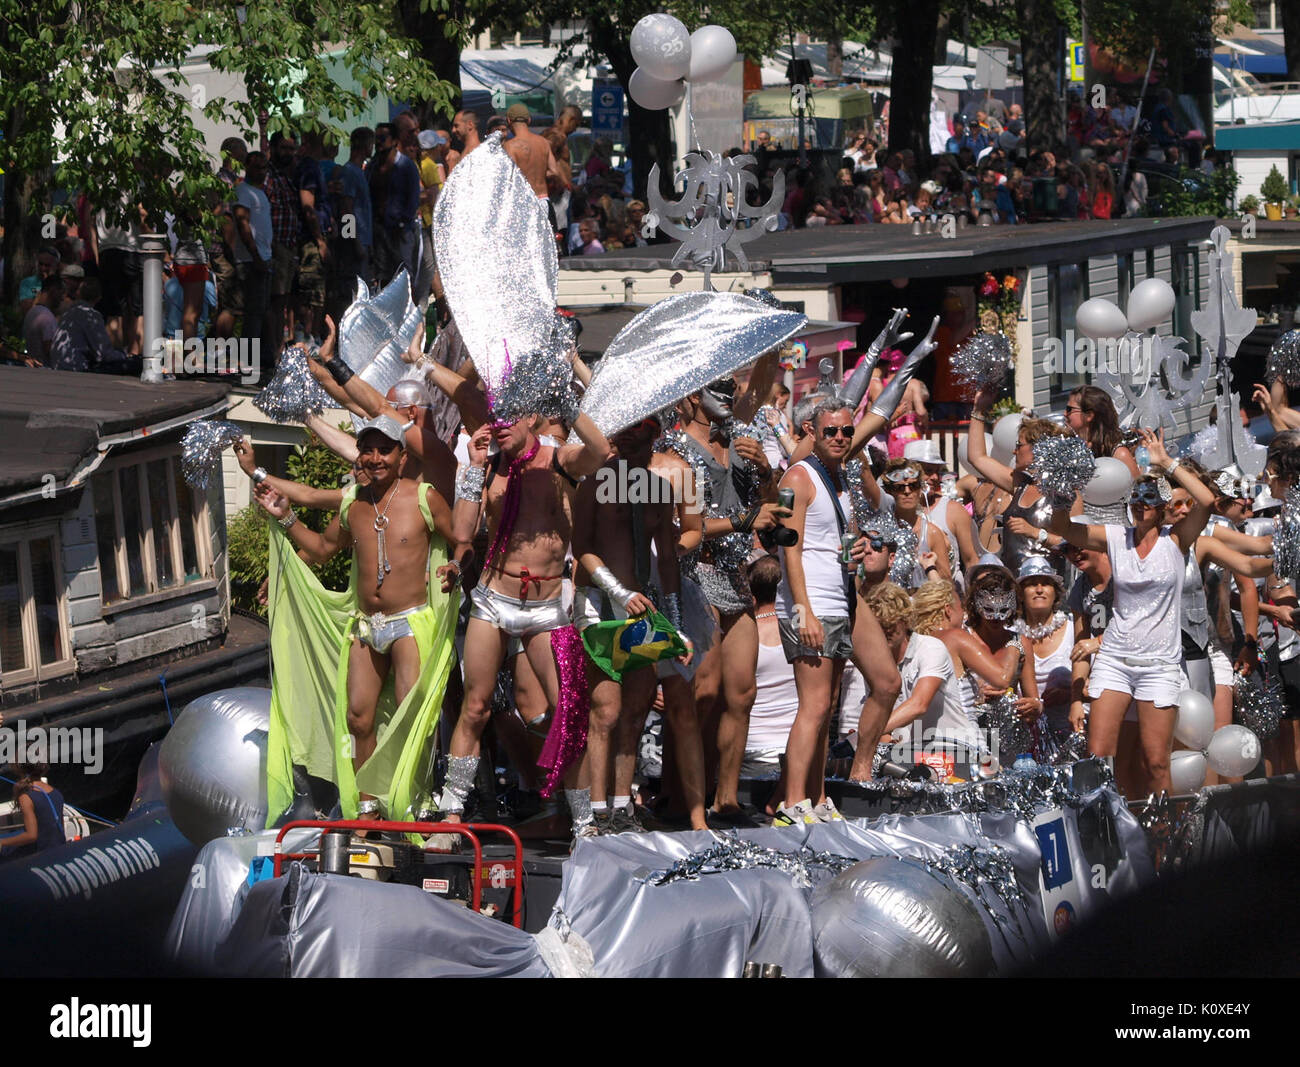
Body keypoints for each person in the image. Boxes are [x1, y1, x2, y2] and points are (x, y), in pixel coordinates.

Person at [255, 413, 466, 817]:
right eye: (367, 449)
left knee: (411, 716)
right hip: (366, 626)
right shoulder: (354, 503)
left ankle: (409, 801)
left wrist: (455, 566)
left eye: (384, 449)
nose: (374, 458)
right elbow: (320, 549)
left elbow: (461, 539)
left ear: (402, 457)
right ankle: (368, 804)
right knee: (357, 717)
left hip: (410, 623)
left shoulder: (425, 497)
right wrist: (285, 515)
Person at [442, 403, 610, 828]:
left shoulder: (559, 460)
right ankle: (450, 812)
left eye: (507, 421)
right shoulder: (491, 466)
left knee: (568, 713)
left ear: (531, 419)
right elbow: (463, 533)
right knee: (476, 707)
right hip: (493, 600)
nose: (498, 429)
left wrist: (569, 401)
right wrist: (475, 467)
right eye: (493, 420)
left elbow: (602, 448)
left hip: (549, 606)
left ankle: (583, 823)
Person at [1050, 428, 1214, 795]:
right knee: (1098, 757)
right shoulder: (1113, 537)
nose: (1141, 503)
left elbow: (1207, 500)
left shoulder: (1177, 541)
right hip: (1115, 660)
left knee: (1156, 761)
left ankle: (1166, 844)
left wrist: (1165, 461)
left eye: (1150, 497)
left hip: (1159, 665)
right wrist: (1063, 484)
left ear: (1163, 507)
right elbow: (1061, 527)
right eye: (1136, 497)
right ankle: (1111, 838)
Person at [572, 416, 700, 835]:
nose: (632, 442)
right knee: (605, 710)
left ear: (654, 438)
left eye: (641, 434)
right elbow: (583, 550)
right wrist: (619, 594)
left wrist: (676, 629)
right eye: (624, 434)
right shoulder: (592, 484)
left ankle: (623, 806)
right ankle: (595, 812)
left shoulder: (660, 491)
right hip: (598, 602)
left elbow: (667, 564)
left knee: (635, 709)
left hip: (641, 606)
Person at [773, 398, 858, 825]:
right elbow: (790, 546)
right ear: (812, 430)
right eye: (831, 431)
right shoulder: (799, 475)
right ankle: (790, 804)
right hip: (811, 603)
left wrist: (855, 553)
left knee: (828, 708)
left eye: (846, 430)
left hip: (837, 599)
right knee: (813, 704)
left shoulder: (839, 482)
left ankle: (818, 797)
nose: (840, 437)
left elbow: (832, 544)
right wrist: (802, 608)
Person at [369, 123, 421, 292]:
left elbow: (413, 198)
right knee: (382, 275)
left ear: (395, 141)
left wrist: (402, 223)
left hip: (401, 231)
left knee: (404, 275)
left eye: (383, 138)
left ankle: (408, 315)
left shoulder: (406, 166)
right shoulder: (372, 167)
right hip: (379, 229)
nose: (378, 142)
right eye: (376, 138)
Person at [231, 150, 272, 353]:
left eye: (264, 167)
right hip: (250, 260)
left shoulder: (261, 192)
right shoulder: (243, 191)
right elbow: (242, 222)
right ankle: (247, 359)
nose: (262, 171)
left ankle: (257, 357)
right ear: (247, 167)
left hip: (264, 257)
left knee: (260, 311)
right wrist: (255, 255)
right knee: (250, 312)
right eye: (256, 166)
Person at [1065, 385, 1139, 476]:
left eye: (1069, 410)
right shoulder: (1069, 448)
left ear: (1089, 415)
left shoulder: (1119, 454)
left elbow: (1137, 488)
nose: (1065, 414)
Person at [0, 764, 65, 861]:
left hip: (41, 852)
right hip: (58, 848)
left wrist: (2, 842)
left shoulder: (26, 797)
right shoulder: (55, 792)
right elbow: (60, 830)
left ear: (18, 769)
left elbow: (31, 836)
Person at [22, 275, 63, 365]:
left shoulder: (31, 312)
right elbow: (50, 350)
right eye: (61, 292)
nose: (62, 298)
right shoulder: (47, 318)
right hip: (44, 371)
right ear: (53, 290)